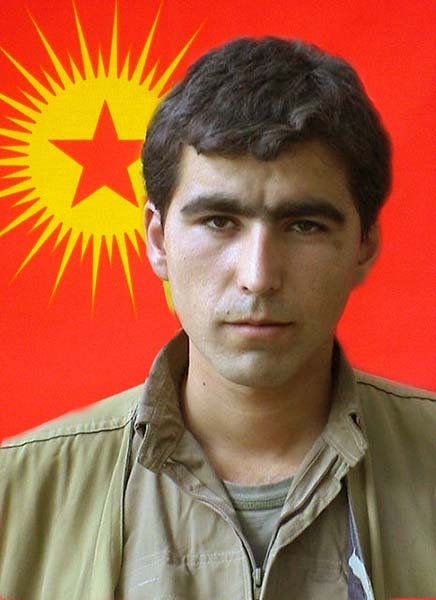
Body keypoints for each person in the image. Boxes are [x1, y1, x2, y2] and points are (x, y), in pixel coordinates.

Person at [0, 37, 435, 600]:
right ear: (158, 241)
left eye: (304, 226)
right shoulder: (16, 495)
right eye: (219, 221)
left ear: (364, 246)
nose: (258, 276)